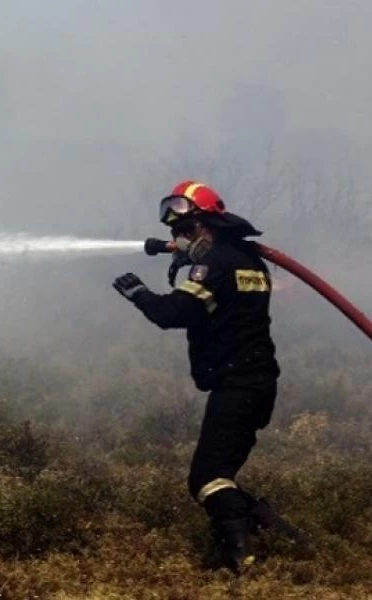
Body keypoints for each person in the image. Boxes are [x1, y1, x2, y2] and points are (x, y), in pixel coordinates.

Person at [111, 180, 295, 573]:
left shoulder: (215, 264)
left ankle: (241, 561)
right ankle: (283, 534)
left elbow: (171, 314)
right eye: (175, 233)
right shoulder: (247, 261)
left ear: (210, 224)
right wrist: (186, 263)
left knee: (208, 478)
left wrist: (138, 293)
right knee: (216, 475)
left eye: (187, 230)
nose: (180, 238)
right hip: (255, 384)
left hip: (239, 385)